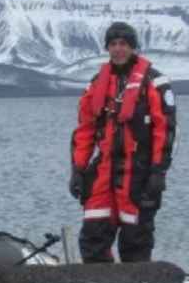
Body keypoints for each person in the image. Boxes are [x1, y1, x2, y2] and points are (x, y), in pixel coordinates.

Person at [69, 21, 177, 262]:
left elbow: (166, 130)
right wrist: (77, 169)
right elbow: (84, 130)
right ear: (107, 47)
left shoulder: (154, 82)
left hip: (138, 171)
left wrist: (158, 172)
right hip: (104, 169)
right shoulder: (97, 84)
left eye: (124, 44)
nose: (118, 49)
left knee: (136, 238)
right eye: (113, 44)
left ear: (133, 47)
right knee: (93, 235)